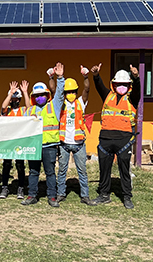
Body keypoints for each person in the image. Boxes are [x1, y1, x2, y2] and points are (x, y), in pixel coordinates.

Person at [90, 63, 140, 209]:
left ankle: (127, 197)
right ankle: (104, 195)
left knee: (124, 170)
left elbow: (137, 90)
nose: (121, 86)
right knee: (104, 169)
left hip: (124, 140)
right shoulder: (107, 96)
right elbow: (99, 86)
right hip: (105, 140)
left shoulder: (132, 98)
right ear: (114, 84)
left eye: (124, 84)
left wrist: (136, 78)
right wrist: (96, 75)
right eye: (119, 84)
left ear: (129, 85)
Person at [51, 66, 96, 206]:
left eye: (73, 91)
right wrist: (51, 77)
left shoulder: (80, 103)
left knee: (82, 171)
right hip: (64, 143)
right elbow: (53, 90)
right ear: (64, 93)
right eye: (68, 92)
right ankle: (61, 194)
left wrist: (86, 77)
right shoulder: (60, 104)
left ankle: (85, 196)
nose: (70, 93)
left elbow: (87, 89)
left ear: (76, 92)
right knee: (62, 170)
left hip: (79, 144)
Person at [21, 62, 64, 207]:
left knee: (50, 172)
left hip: (50, 146)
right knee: (33, 172)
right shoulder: (30, 110)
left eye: (42, 95)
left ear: (47, 95)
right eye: (37, 96)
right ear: (34, 97)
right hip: (34, 146)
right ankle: (32, 195)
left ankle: (52, 197)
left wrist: (60, 77)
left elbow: (59, 94)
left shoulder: (54, 106)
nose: (40, 97)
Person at [0, 80, 30, 199]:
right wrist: (10, 94)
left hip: (20, 141)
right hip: (9, 141)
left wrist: (25, 92)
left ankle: (21, 188)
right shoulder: (7, 111)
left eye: (17, 99)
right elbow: (3, 106)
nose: (15, 101)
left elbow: (29, 107)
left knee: (20, 165)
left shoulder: (23, 111)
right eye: (13, 99)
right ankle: (5, 187)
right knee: (7, 164)